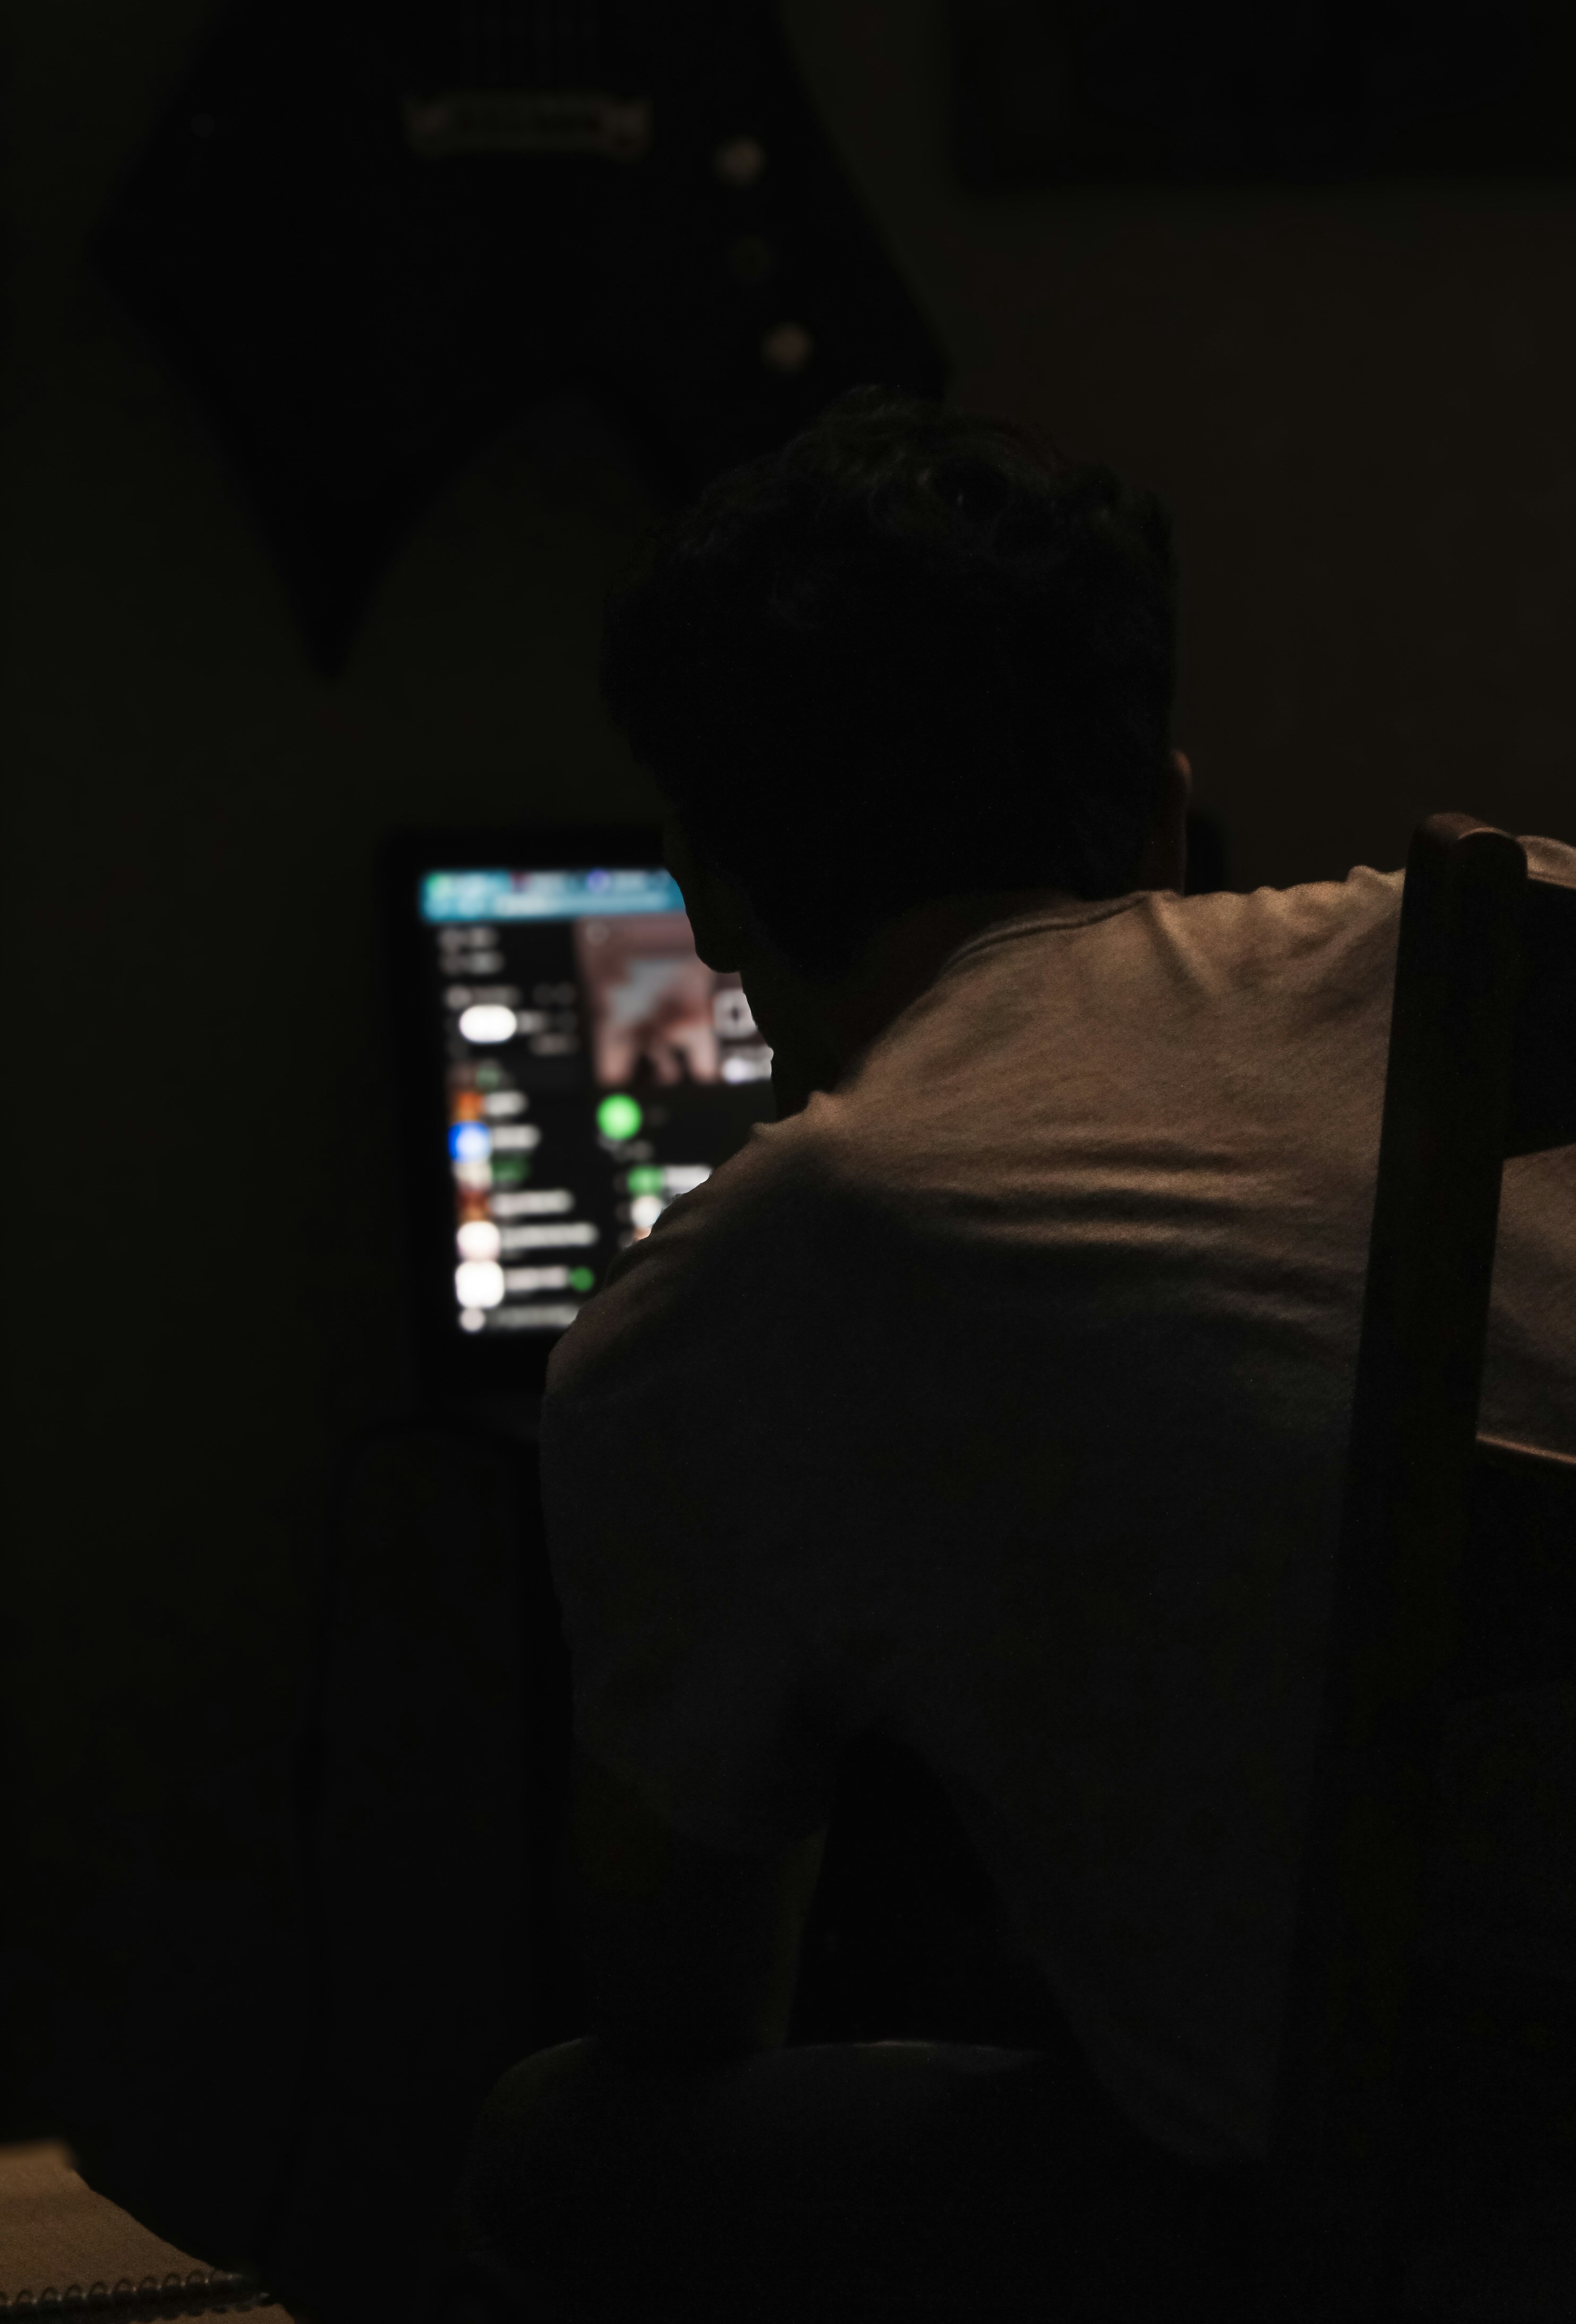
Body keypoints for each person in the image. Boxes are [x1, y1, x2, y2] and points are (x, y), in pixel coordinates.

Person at [440, 387, 1576, 2320]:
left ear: (699, 886)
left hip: (1417, 2238)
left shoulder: (766, 1270)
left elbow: (686, 1994)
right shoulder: (1504, 957)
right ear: (1166, 812)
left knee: (561, 2139)